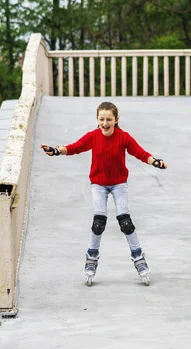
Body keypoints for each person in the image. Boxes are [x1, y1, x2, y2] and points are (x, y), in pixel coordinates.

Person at [41, 101, 167, 284]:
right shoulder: (93, 136)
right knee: (99, 221)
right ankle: (91, 258)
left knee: (126, 222)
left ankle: (138, 258)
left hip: (119, 184)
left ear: (116, 120)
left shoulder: (123, 137)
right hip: (99, 185)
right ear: (97, 120)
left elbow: (140, 153)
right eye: (102, 119)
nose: (105, 123)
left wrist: (155, 161)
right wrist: (55, 151)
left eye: (109, 119)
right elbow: (75, 147)